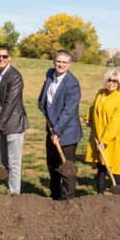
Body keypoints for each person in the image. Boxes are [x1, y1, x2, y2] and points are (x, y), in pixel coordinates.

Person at [38, 50, 82, 200]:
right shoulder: (50, 74)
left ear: (69, 64)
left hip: (67, 132)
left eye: (64, 62)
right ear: (54, 61)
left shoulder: (72, 84)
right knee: (52, 165)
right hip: (52, 129)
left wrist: (57, 131)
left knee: (66, 168)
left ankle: (68, 199)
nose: (61, 64)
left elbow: (69, 111)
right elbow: (44, 97)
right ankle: (55, 197)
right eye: (58, 61)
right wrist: (42, 108)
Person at [0, 45, 30, 194]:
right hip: (1, 122)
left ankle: (14, 194)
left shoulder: (15, 77)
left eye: (4, 57)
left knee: (14, 163)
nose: (1, 59)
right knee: (5, 161)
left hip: (13, 123)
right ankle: (10, 188)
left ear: (9, 58)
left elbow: (9, 104)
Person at [84, 69, 120, 194]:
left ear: (119, 83)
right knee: (101, 168)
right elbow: (94, 107)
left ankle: (117, 195)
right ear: (105, 80)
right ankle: (100, 195)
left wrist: (104, 141)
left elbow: (115, 123)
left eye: (115, 81)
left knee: (113, 167)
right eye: (109, 80)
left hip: (112, 139)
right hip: (99, 135)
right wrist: (89, 117)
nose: (111, 83)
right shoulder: (100, 93)